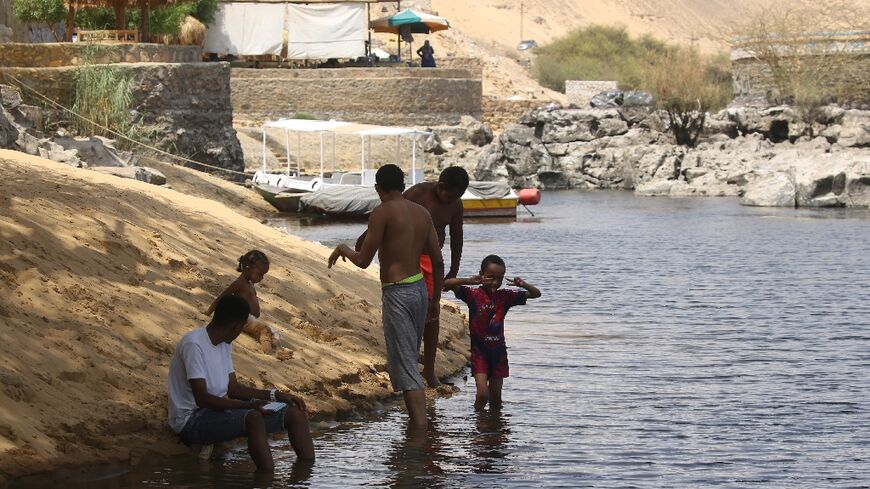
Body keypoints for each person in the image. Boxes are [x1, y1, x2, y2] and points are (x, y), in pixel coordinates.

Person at [329, 164, 444, 427]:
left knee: (406, 365)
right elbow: (437, 261)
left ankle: (419, 434)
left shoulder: (381, 213)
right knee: (409, 358)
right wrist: (435, 299)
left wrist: (343, 248)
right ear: (402, 187)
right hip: (419, 289)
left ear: (378, 188)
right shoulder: (422, 213)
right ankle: (418, 428)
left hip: (398, 293)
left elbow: (363, 261)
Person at [168, 294, 315, 471]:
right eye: (241, 328)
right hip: (191, 419)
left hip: (218, 410)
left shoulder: (223, 342)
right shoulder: (193, 345)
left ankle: (305, 475)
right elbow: (202, 400)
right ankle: (267, 477)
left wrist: (275, 395)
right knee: (253, 418)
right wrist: (247, 408)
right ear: (236, 326)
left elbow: (234, 389)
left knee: (293, 412)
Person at [355, 166, 469, 388]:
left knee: (432, 314)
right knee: (415, 307)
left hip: (432, 259)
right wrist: (364, 240)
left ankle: (429, 369)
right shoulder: (418, 194)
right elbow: (388, 210)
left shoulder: (455, 205)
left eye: (457, 197)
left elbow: (457, 237)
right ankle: (409, 365)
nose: (451, 201)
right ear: (441, 186)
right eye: (450, 195)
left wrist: (454, 269)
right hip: (410, 255)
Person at [443, 254, 541, 410]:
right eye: (490, 277)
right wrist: (470, 281)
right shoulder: (473, 294)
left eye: (499, 279)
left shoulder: (506, 296)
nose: (495, 283)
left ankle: (495, 431)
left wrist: (523, 284)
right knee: (483, 395)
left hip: (498, 353)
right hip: (479, 353)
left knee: (496, 399)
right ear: (482, 274)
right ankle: (479, 427)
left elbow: (536, 294)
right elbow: (446, 283)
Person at [206, 250, 277, 353]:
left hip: (250, 319)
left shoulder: (250, 284)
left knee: (275, 333)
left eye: (263, 275)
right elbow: (222, 297)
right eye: (259, 274)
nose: (261, 278)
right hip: (241, 319)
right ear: (248, 269)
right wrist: (209, 312)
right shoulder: (239, 283)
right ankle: (269, 352)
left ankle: (278, 348)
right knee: (264, 329)